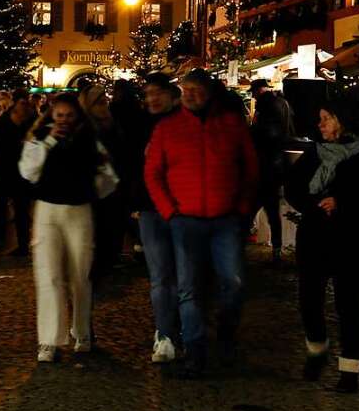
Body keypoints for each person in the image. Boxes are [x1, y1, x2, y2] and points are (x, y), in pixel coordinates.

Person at [144, 68, 258, 378]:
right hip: (186, 220)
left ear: (209, 92)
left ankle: (225, 333)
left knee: (233, 282)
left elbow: (250, 169)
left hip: (225, 219)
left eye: (196, 89)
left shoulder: (231, 124)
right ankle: (195, 351)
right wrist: (170, 212)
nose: (191, 94)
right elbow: (153, 173)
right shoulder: (168, 128)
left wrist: (242, 208)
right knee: (188, 288)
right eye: (186, 89)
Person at [285, 99, 359, 394]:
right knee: (309, 299)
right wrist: (313, 204)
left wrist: (342, 202)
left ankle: (349, 372)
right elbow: (293, 188)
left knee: (348, 304)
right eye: (320, 118)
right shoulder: (313, 153)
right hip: (314, 235)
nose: (320, 124)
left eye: (326, 118)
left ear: (342, 121)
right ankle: (317, 347)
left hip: (349, 238)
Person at [19, 93, 118, 363]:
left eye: (68, 115)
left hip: (78, 209)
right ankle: (49, 339)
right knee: (48, 275)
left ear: (77, 117)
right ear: (51, 115)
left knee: (80, 274)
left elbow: (108, 176)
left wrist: (88, 191)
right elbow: (28, 170)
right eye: (59, 115)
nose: (63, 120)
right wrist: (50, 141)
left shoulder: (89, 140)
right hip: (48, 209)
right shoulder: (39, 138)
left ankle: (82, 331)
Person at [133, 73, 182, 363]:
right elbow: (134, 163)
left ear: (170, 94)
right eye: (148, 93)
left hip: (181, 207)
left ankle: (177, 329)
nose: (152, 98)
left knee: (183, 275)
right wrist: (135, 201)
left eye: (157, 93)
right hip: (151, 208)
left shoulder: (184, 121)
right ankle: (164, 333)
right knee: (161, 275)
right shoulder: (142, 123)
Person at [79, 84, 128, 281]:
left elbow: (122, 153)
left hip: (113, 189)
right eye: (99, 103)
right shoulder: (84, 127)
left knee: (111, 231)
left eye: (104, 101)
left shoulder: (112, 124)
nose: (103, 106)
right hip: (91, 191)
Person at [249, 78, 296, 263]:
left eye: (254, 91)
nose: (252, 95)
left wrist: (254, 134)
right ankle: (276, 246)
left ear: (259, 91)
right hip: (276, 164)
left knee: (258, 205)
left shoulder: (266, 106)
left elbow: (266, 133)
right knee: (271, 207)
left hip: (266, 164)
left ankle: (271, 245)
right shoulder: (282, 102)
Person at [0, 90, 35, 256]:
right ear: (15, 103)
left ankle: (23, 245)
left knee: (22, 209)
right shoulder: (4, 120)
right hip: (5, 169)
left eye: (26, 103)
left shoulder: (31, 120)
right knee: (0, 207)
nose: (24, 107)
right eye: (21, 103)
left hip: (23, 172)